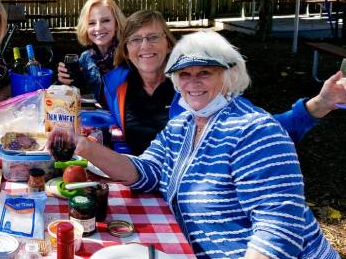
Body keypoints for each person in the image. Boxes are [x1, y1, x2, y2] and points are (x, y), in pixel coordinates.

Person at [77, 31, 346, 259]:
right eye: (184, 74)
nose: (193, 82)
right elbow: (147, 170)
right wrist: (82, 147)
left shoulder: (253, 130)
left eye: (205, 72)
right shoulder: (183, 124)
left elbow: (279, 229)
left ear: (230, 75)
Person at [102, 10, 346, 155]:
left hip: (191, 186)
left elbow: (264, 128)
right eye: (135, 40)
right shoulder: (116, 83)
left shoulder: (195, 84)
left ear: (168, 43)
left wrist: (320, 104)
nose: (145, 46)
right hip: (142, 177)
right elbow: (112, 122)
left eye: (153, 37)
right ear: (125, 48)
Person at [57, 0, 126, 104]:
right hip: (100, 118)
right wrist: (64, 82)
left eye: (106, 20)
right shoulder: (86, 58)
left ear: (116, 24)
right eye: (92, 23)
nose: (98, 28)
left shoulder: (128, 55)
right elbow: (79, 94)